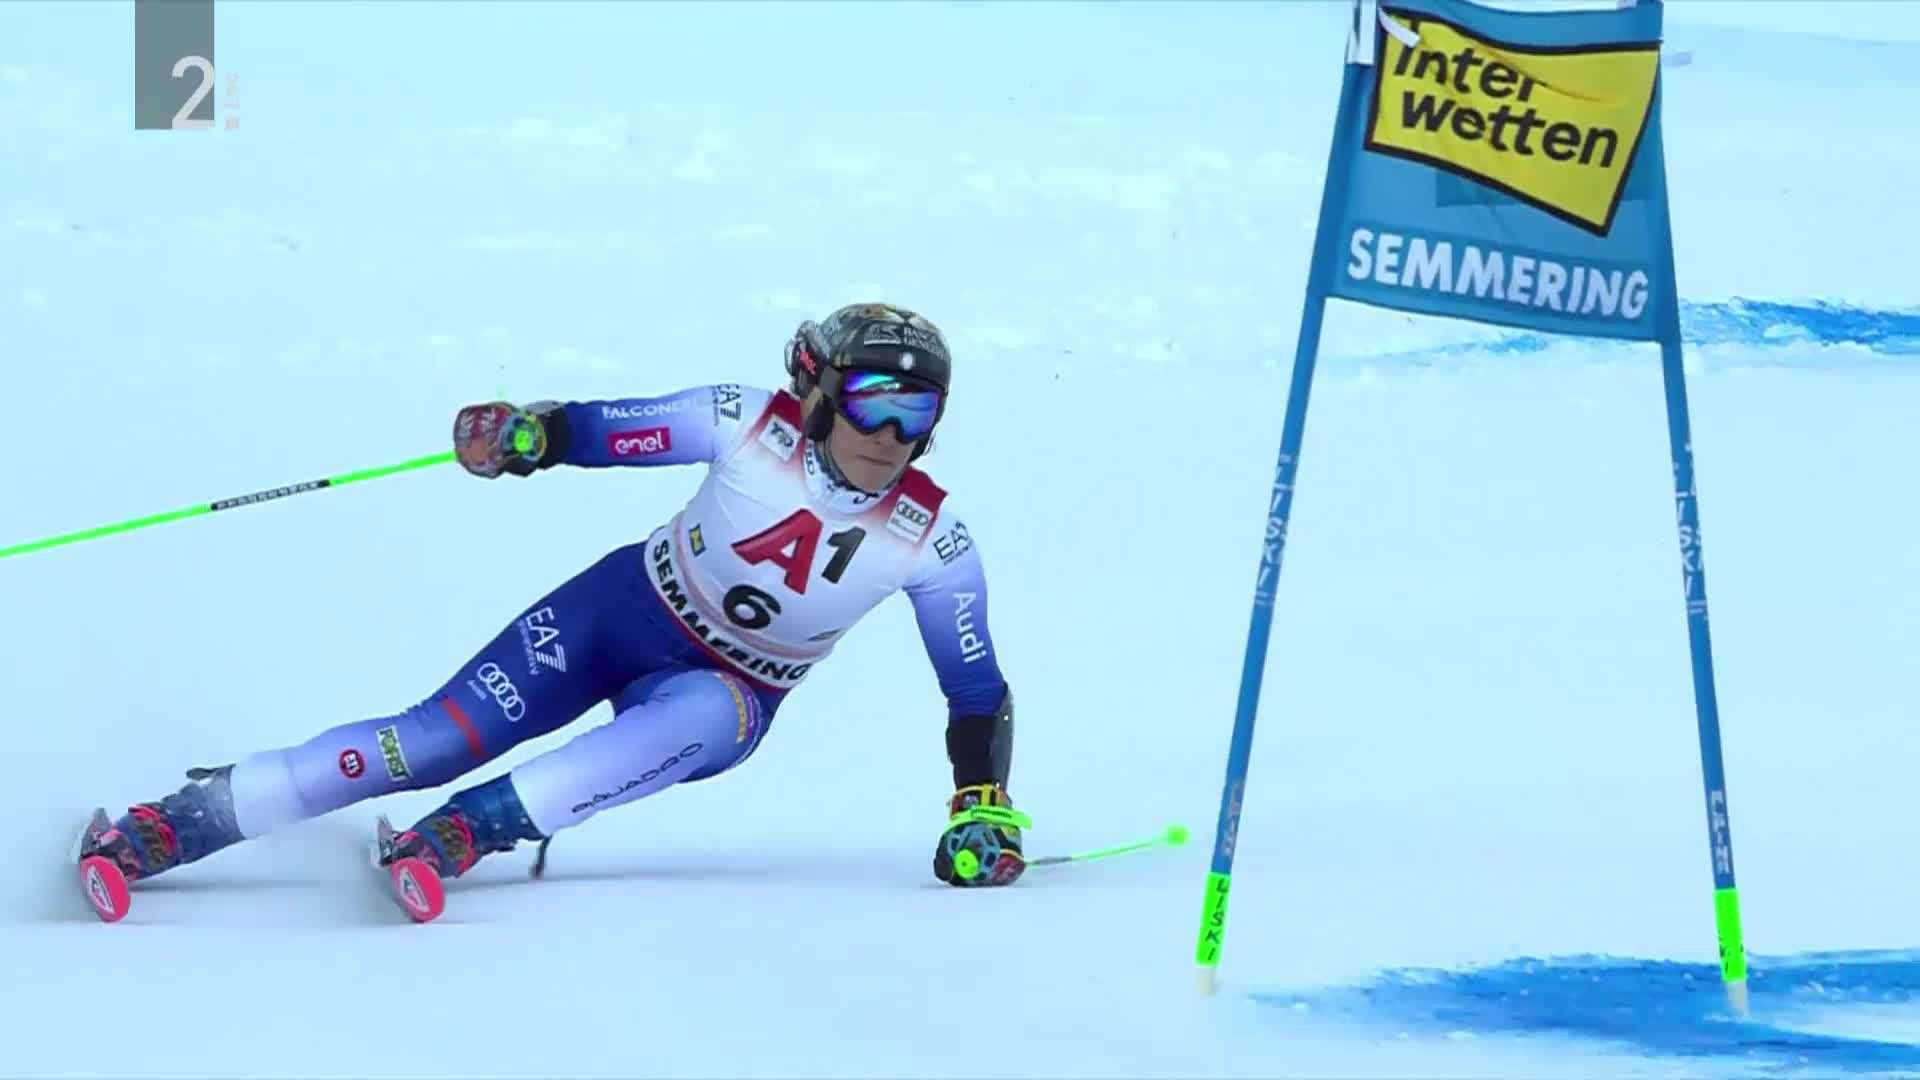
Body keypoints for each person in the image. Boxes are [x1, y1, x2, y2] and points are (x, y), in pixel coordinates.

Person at [75, 302, 1024, 920]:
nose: (890, 435)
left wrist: (981, 808)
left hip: (733, 690)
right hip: (618, 612)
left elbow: (975, 693)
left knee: (694, 717)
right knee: (431, 739)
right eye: (872, 401)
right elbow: (606, 431)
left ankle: (465, 831)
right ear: (815, 390)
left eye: (917, 413)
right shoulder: (743, 420)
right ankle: (175, 824)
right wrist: (527, 435)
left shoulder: (934, 544)